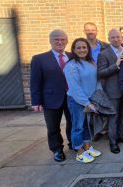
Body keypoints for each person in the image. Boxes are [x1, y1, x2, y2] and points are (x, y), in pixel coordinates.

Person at [30, 29, 72, 162]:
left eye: (62, 39)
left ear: (66, 41)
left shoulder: (72, 56)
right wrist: (36, 101)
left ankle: (74, 144)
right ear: (50, 41)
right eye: (56, 39)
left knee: (73, 122)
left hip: (71, 97)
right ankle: (57, 149)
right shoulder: (39, 59)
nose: (60, 42)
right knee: (53, 126)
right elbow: (35, 81)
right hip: (51, 98)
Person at [64, 38, 102, 163]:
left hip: (90, 100)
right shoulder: (71, 66)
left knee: (86, 125)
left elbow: (97, 81)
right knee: (78, 126)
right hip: (77, 101)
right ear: (73, 50)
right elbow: (75, 88)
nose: (82, 50)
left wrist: (96, 98)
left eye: (84, 47)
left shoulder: (91, 62)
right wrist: (87, 103)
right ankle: (79, 152)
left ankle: (87, 147)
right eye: (78, 48)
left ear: (88, 49)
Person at [97, 29, 123, 154]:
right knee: (113, 116)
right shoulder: (104, 54)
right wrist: (116, 65)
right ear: (109, 39)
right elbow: (100, 73)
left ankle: (122, 136)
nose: (116, 39)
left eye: (118, 37)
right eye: (113, 37)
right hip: (113, 91)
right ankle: (113, 142)